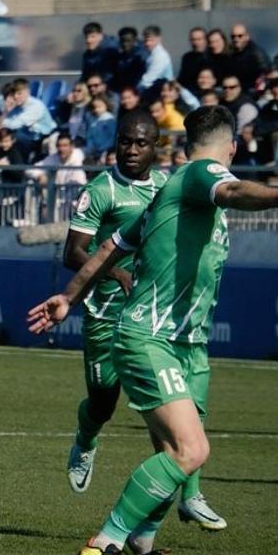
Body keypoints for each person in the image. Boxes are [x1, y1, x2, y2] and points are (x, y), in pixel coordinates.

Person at [27, 106, 278, 555]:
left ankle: (142, 542)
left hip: (181, 341)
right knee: (192, 450)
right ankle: (104, 542)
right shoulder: (202, 174)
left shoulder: (166, 192)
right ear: (230, 146)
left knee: (176, 452)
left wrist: (67, 296)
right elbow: (232, 189)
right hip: (150, 336)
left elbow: (111, 247)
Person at [63, 111, 169, 494]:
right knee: (103, 403)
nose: (132, 150)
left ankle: (185, 489)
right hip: (104, 311)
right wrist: (115, 273)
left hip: (150, 313)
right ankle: (86, 439)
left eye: (142, 143)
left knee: (161, 404)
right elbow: (73, 253)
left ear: (157, 147)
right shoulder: (101, 190)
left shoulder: (166, 186)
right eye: (126, 141)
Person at [228, 23, 270, 95]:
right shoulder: (232, 53)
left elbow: (265, 75)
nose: (236, 39)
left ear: (247, 37)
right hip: (238, 92)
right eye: (233, 36)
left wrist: (257, 92)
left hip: (253, 94)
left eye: (240, 36)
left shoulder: (256, 53)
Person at [138, 26, 173, 94]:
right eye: (146, 40)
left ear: (159, 39)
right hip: (154, 89)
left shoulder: (160, 56)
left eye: (151, 40)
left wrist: (136, 91)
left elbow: (147, 81)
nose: (148, 43)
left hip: (163, 92)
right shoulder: (149, 52)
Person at [177, 27, 211, 94]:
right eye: (193, 40)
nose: (196, 43)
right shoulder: (187, 57)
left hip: (205, 93)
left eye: (199, 39)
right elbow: (181, 79)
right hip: (186, 92)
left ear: (205, 40)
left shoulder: (211, 57)